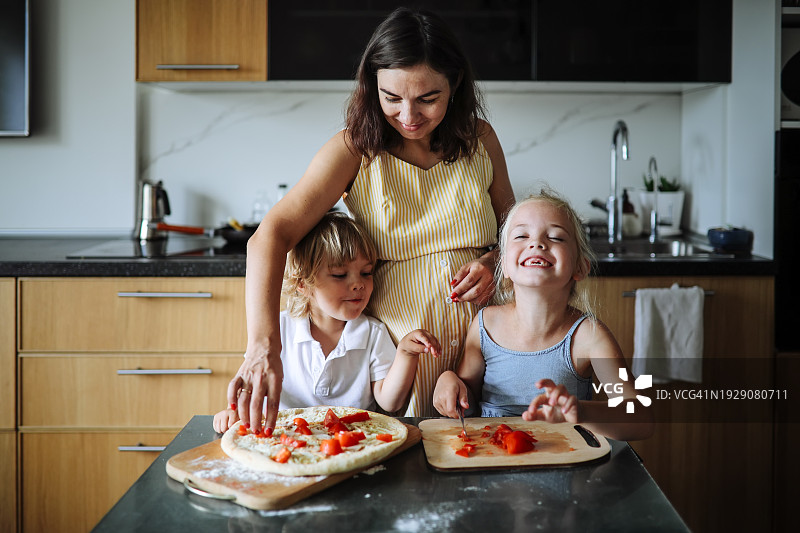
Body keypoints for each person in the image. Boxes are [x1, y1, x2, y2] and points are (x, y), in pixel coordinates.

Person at [228, 6, 515, 429]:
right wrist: (262, 346)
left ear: (454, 84)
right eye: (392, 98)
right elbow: (269, 237)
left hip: (490, 344)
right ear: (372, 86)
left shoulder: (480, 139)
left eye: (428, 99)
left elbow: (516, 232)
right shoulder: (354, 149)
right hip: (403, 355)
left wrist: (494, 261)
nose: (409, 116)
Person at [432, 189, 654, 441]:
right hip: (492, 460)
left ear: (580, 267)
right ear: (503, 264)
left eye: (556, 237)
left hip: (566, 465)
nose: (536, 243)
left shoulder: (588, 335)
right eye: (522, 235)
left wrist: (580, 411)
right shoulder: (485, 324)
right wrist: (449, 381)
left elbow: (640, 418)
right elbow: (467, 401)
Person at [214, 212, 439, 433]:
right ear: (303, 283)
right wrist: (232, 413)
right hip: (285, 441)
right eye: (341, 275)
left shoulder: (373, 333)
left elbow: (390, 402)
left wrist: (406, 353)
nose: (358, 284)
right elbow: (252, 384)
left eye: (366, 273)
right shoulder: (277, 330)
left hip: (354, 444)